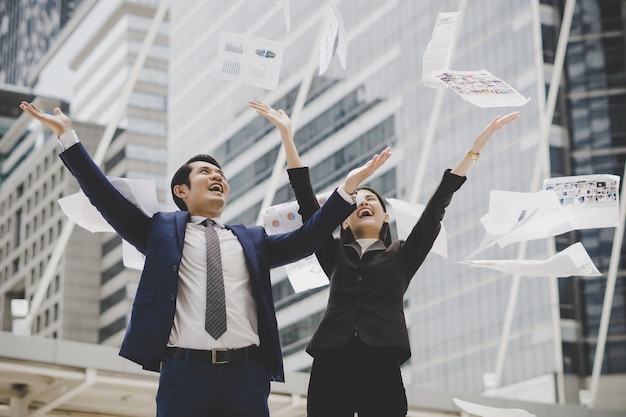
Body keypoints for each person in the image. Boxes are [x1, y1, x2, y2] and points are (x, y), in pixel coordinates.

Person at [19, 100, 391, 417]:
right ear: (181, 190)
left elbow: (309, 238)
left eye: (221, 174)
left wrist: (348, 188)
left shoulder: (252, 240)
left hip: (246, 375)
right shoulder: (160, 233)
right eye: (205, 172)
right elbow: (105, 197)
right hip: (184, 374)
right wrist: (67, 136)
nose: (217, 177)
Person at [249, 99, 519, 417]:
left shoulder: (403, 254)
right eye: (355, 200)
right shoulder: (333, 252)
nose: (363, 202)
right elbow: (307, 202)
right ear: (343, 219)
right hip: (331, 357)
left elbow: (436, 207)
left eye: (371, 199)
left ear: (385, 216)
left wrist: (475, 148)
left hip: (382, 358)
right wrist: (287, 135)